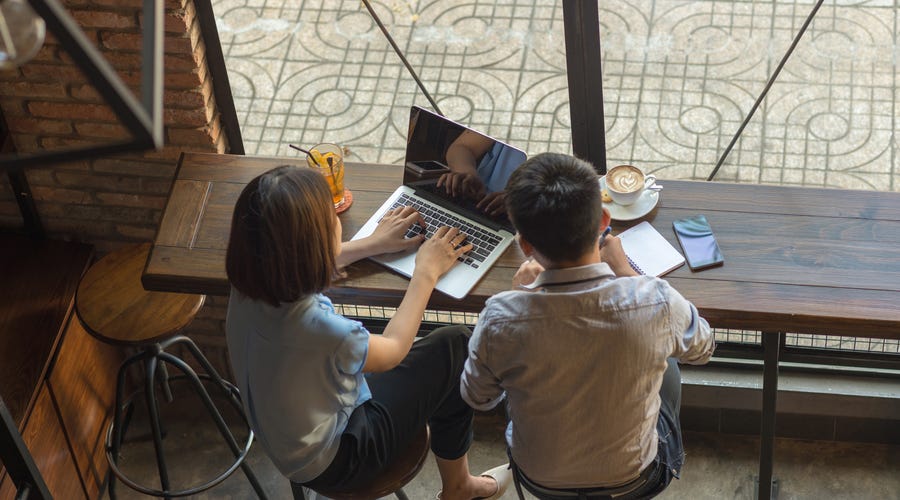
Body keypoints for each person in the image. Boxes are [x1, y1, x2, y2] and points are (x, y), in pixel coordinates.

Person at [224, 165, 510, 500]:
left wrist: (372, 244)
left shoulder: (247, 282)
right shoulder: (322, 330)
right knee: (455, 346)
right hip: (343, 459)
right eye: (332, 223)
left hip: (282, 437)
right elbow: (393, 349)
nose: (338, 227)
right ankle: (460, 487)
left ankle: (459, 480)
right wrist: (426, 272)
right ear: (311, 247)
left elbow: (292, 255)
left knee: (435, 362)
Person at [460, 153, 715, 498]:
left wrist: (518, 297)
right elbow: (703, 348)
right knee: (666, 358)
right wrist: (626, 273)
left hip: (540, 482)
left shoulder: (499, 317)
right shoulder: (656, 301)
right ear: (604, 220)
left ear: (525, 246)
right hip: (636, 481)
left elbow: (479, 398)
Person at [436, 130, 519, 217]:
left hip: (521, 222)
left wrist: (522, 202)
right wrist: (467, 173)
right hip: (476, 202)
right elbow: (462, 147)